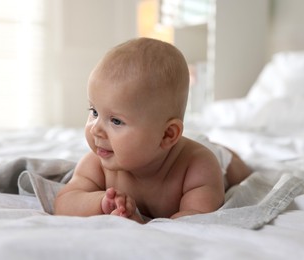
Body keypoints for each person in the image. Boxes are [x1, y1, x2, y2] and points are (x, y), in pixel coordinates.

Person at [53, 37, 251, 223]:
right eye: (94, 112)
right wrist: (100, 202)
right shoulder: (97, 164)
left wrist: (145, 225)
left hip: (216, 157)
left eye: (115, 121)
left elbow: (196, 219)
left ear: (167, 134)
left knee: (239, 170)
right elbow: (64, 202)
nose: (96, 129)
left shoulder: (198, 167)